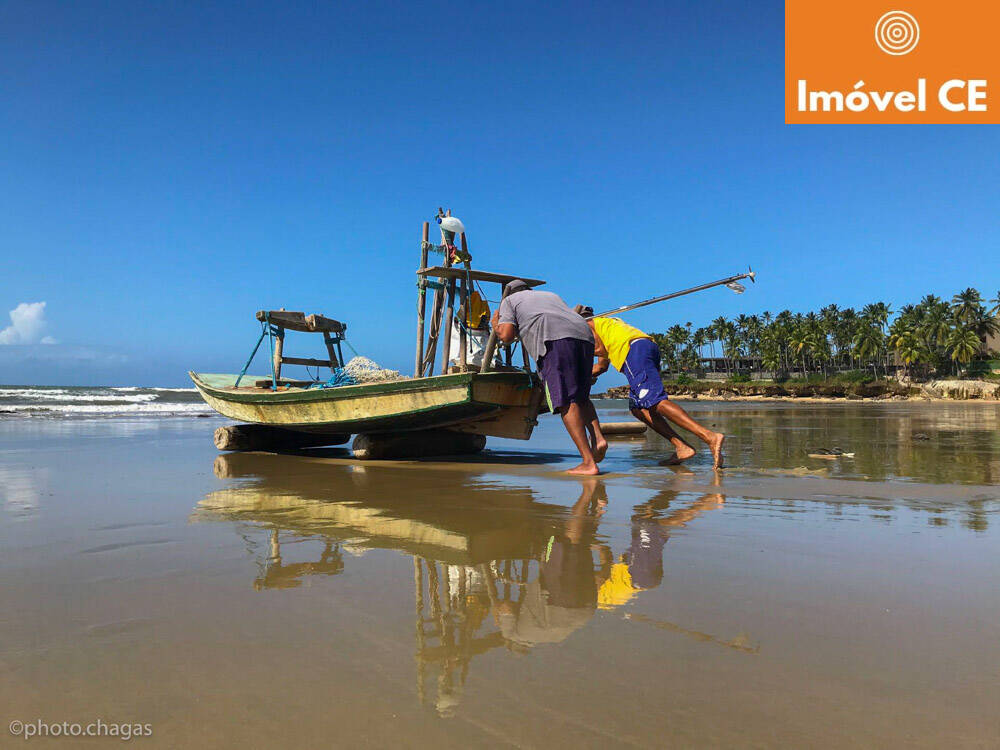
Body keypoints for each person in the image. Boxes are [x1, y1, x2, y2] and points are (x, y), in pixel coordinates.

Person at [574, 305, 725, 468]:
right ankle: (682, 447)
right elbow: (601, 367)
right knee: (639, 408)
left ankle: (709, 436)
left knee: (655, 401)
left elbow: (598, 349)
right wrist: (581, 376)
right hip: (644, 348)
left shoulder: (588, 324)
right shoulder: (607, 327)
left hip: (633, 351)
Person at [492, 280, 606, 475]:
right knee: (580, 396)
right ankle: (598, 438)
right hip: (584, 337)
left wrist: (496, 323)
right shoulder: (550, 295)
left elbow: (506, 336)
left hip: (555, 340)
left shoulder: (509, 301)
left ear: (507, 293)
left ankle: (588, 463)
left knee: (565, 401)